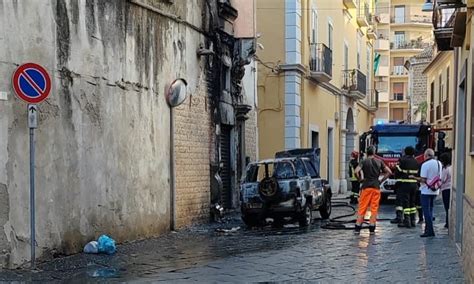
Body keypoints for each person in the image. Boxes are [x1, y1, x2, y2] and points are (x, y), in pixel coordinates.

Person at [354, 146, 392, 235]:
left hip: (366, 186)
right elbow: (389, 172)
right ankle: (372, 226)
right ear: (374, 152)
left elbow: (356, 171)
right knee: (374, 208)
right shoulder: (379, 162)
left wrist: (359, 179)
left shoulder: (363, 161)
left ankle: (358, 226)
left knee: (362, 207)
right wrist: (381, 181)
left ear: (367, 152)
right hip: (376, 186)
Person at [410, 149, 442, 237]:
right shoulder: (439, 163)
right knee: (431, 210)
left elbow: (423, 179)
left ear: (427, 155)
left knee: (426, 211)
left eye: (424, 155)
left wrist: (414, 177)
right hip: (435, 190)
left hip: (426, 190)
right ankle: (428, 229)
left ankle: (430, 231)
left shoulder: (425, 165)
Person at [394, 146, 419, 228]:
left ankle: (407, 221)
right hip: (414, 185)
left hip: (405, 184)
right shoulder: (416, 162)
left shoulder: (402, 160)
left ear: (406, 152)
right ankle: (413, 221)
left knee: (406, 203)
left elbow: (397, 172)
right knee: (412, 203)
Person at [439, 152, 452, 229]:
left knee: (446, 207)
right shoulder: (451, 167)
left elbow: (442, 179)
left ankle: (447, 223)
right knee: (448, 206)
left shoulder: (445, 169)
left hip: (445, 189)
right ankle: (448, 222)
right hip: (450, 188)